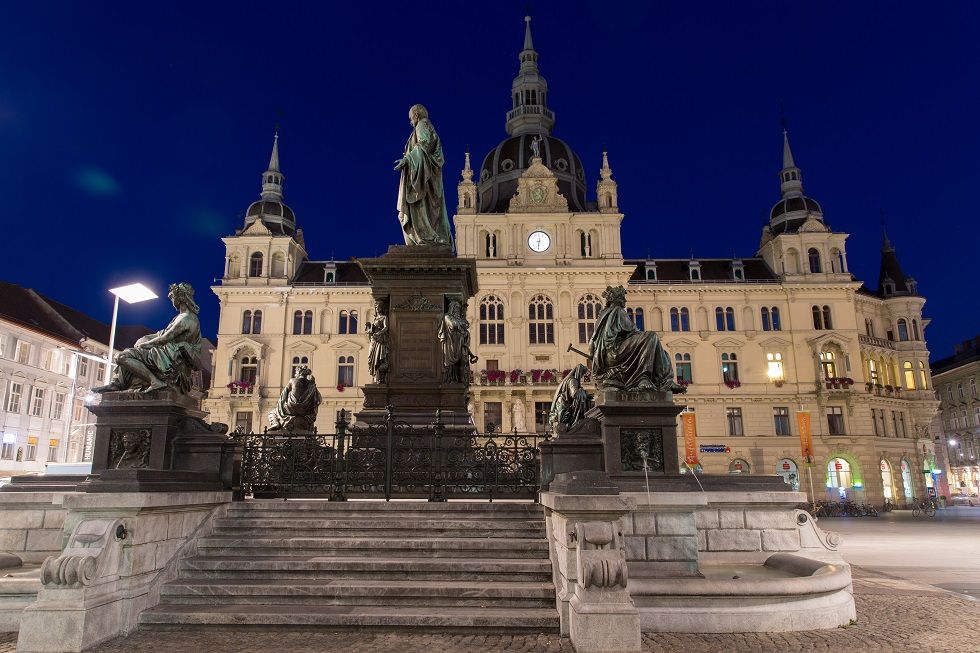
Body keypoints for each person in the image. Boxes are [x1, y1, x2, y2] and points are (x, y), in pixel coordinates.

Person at [93, 283, 201, 395]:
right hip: (167, 353)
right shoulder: (182, 317)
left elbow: (165, 338)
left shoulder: (187, 318)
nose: (172, 300)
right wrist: (144, 340)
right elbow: (160, 334)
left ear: (181, 298)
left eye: (173, 297)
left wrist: (144, 345)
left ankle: (155, 382)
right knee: (129, 352)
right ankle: (116, 383)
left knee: (121, 356)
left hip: (172, 357)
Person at [590, 285, 687, 394]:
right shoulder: (618, 311)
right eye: (623, 298)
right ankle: (645, 378)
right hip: (615, 353)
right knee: (651, 337)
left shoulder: (602, 316)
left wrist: (596, 361)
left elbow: (592, 344)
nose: (625, 301)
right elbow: (633, 331)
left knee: (661, 352)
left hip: (606, 357)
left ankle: (664, 381)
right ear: (617, 300)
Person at [394, 104, 453, 248]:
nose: (410, 122)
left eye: (410, 118)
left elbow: (423, 144)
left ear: (416, 115)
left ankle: (426, 237)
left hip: (422, 180)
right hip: (425, 176)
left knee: (420, 209)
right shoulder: (426, 126)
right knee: (427, 212)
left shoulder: (422, 124)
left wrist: (407, 160)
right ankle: (426, 237)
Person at [269, 366, 322, 432]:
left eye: (296, 373)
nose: (295, 374)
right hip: (305, 411)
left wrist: (281, 406)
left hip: (291, 409)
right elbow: (319, 399)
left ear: (299, 373)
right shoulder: (311, 384)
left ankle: (276, 423)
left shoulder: (292, 380)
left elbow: (283, 395)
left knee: (273, 412)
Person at [438, 300, 477, 384]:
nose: (457, 311)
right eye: (456, 308)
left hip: (460, 344)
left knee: (463, 361)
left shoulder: (458, 319)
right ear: (452, 308)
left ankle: (461, 380)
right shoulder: (447, 316)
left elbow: (466, 325)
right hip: (451, 345)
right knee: (454, 363)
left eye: (459, 309)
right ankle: (451, 379)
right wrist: (461, 323)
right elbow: (453, 325)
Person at [549, 364, 592, 432]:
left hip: (562, 403)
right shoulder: (573, 380)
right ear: (579, 373)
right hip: (564, 404)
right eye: (582, 374)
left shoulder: (568, 379)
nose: (581, 377)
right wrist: (583, 392)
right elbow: (574, 394)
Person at [366, 300, 390, 384]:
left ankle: (380, 377)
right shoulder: (375, 318)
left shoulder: (384, 317)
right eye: (376, 307)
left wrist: (378, 333)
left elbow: (386, 327)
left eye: (379, 307)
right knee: (371, 357)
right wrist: (370, 330)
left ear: (382, 308)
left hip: (380, 339)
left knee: (379, 357)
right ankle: (376, 377)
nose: (377, 309)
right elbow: (373, 329)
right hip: (374, 340)